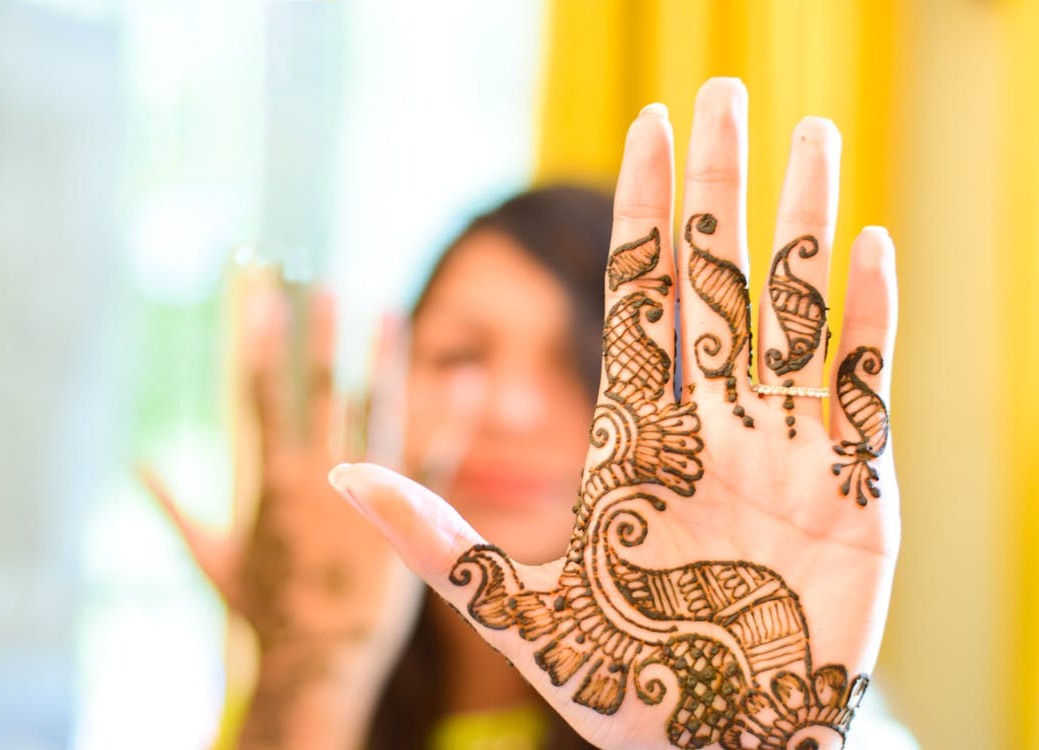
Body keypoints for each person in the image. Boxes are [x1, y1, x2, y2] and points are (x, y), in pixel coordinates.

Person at [149, 78, 905, 750]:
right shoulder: (295, 701)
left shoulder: (804, 725)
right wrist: (315, 665)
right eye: (458, 356)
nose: (508, 410)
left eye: (583, 361)